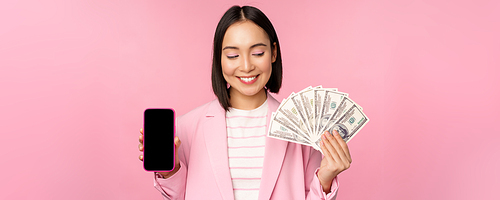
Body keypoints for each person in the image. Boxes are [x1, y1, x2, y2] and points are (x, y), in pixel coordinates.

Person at [138, 5, 352, 200]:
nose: (247, 66)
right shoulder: (186, 128)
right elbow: (180, 196)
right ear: (219, 60)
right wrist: (169, 171)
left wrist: (325, 179)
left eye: (258, 53)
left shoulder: (301, 130)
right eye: (233, 55)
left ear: (274, 53)